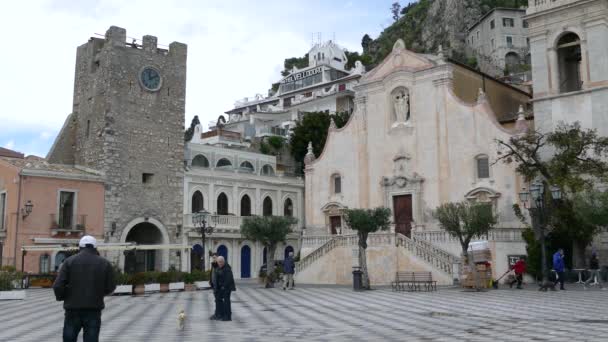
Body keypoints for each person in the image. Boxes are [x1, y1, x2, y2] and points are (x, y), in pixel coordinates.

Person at [53, 235, 115, 342]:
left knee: (69, 338)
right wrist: (99, 293)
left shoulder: (69, 262)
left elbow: (58, 285)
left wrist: (63, 297)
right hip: (93, 309)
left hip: (72, 309)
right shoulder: (105, 263)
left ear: (80, 247)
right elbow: (111, 287)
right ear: (95, 248)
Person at [212, 256, 236, 321]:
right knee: (218, 299)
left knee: (226, 301)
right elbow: (215, 270)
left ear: (223, 261)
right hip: (222, 287)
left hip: (227, 287)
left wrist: (224, 286)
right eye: (218, 262)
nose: (220, 263)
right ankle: (220, 314)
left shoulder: (227, 268)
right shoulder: (219, 267)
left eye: (221, 262)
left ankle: (228, 317)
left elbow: (229, 279)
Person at [209, 253, 221, 320]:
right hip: (214, 285)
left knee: (218, 300)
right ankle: (217, 313)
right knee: (216, 300)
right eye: (213, 258)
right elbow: (212, 274)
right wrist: (210, 281)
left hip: (218, 286)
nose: (214, 259)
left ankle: (218, 314)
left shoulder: (218, 265)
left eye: (215, 257)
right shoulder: (214, 265)